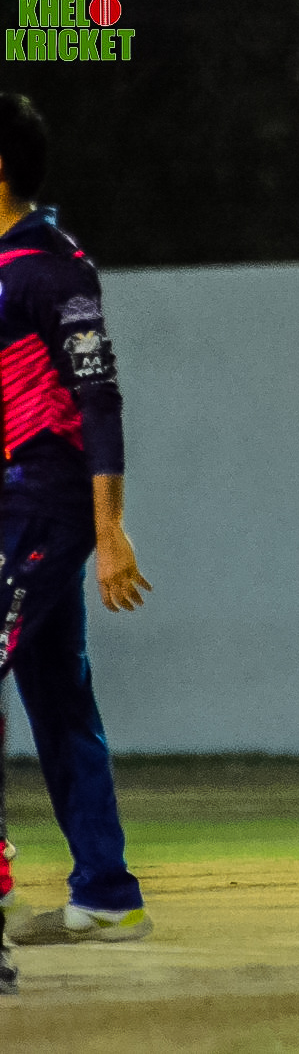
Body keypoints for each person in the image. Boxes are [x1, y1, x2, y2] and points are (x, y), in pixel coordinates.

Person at [0, 94, 154, 980]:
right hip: (16, 507)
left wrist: (109, 529)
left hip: (46, 508)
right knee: (58, 697)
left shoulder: (53, 268)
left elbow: (99, 399)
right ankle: (106, 891)